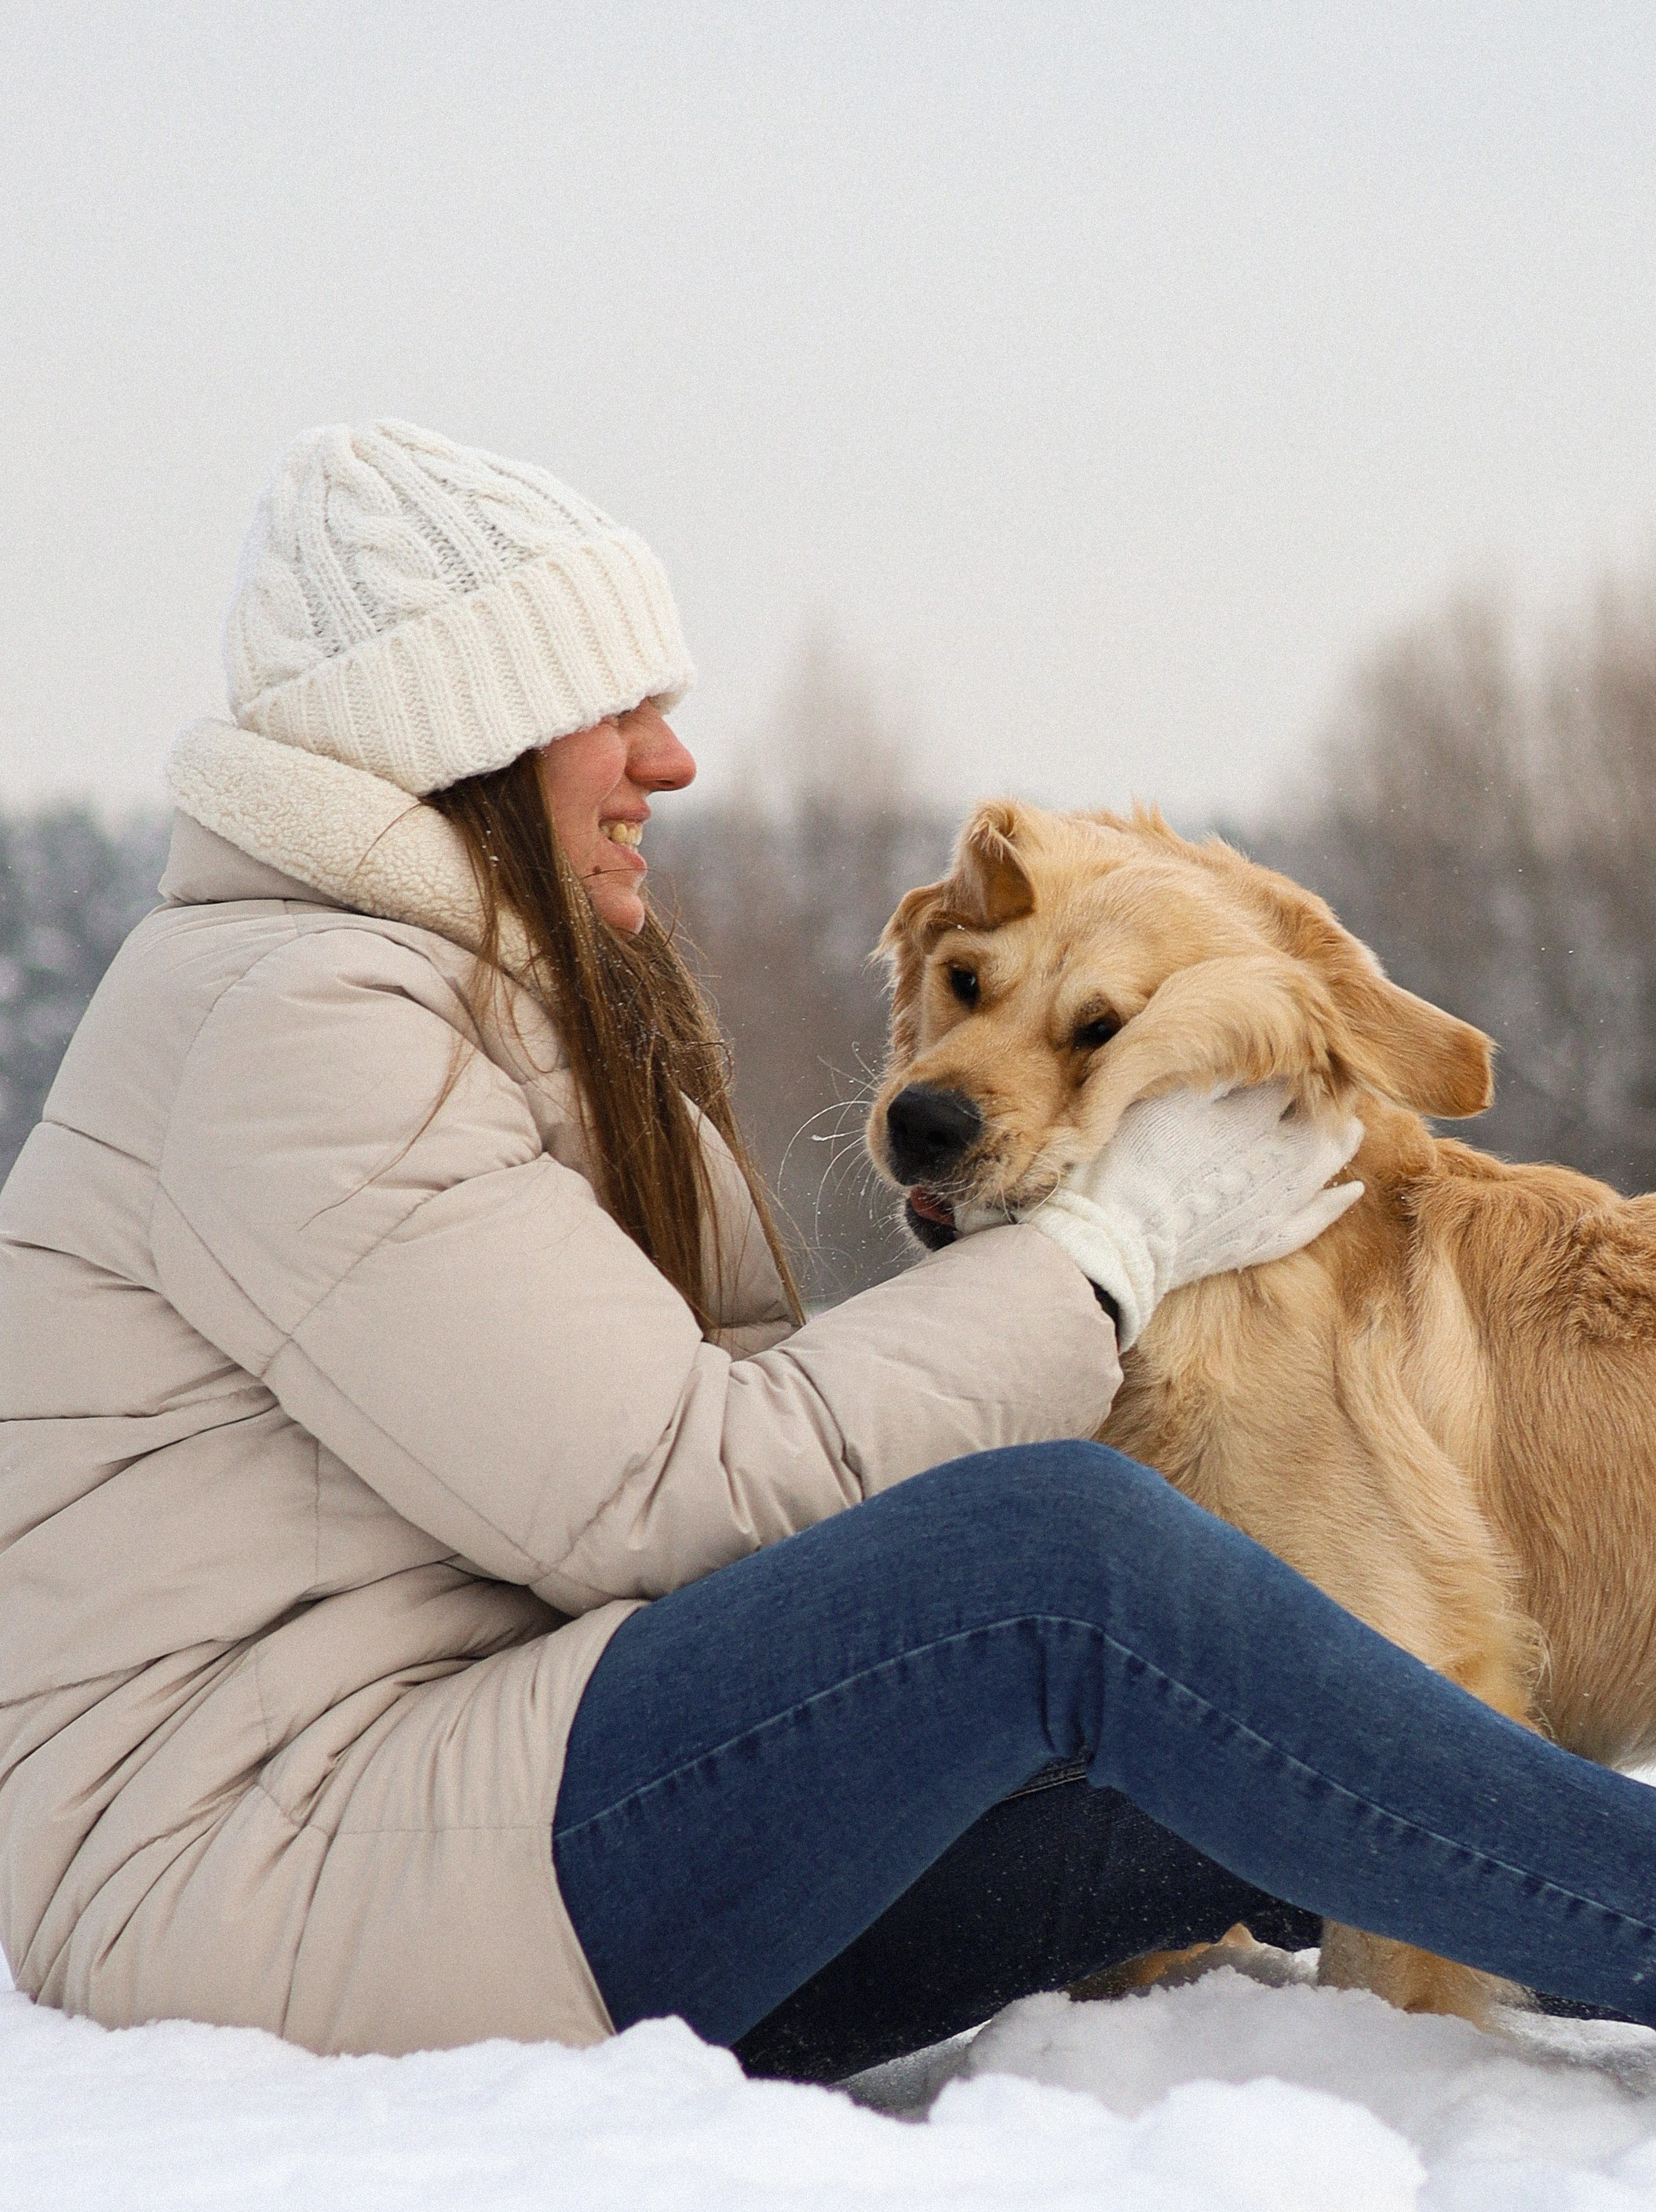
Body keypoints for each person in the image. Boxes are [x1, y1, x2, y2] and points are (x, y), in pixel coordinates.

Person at [2, 420, 1654, 2075]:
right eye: (612, 708)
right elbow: (663, 1492)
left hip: (466, 1818)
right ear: (461, 735)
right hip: (284, 1873)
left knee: (1258, 1728)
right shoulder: (295, 1025)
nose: (671, 760)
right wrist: (1098, 1254)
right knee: (1062, 1550)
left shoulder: (466, 1006)